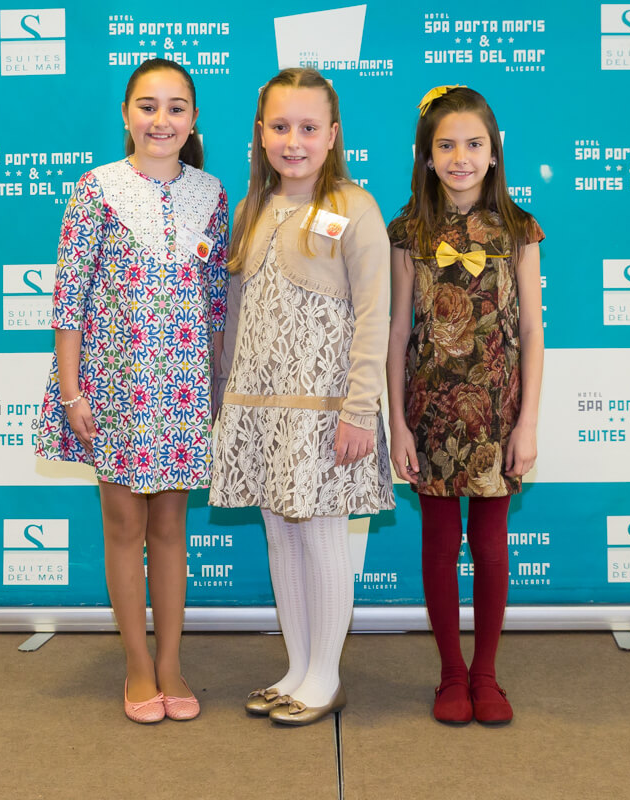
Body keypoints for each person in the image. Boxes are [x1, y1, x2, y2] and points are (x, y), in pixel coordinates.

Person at [35, 58, 228, 724]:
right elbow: (69, 299)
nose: (161, 120)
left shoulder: (212, 195)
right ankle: (138, 666)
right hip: (114, 388)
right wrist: (71, 394)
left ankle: (171, 663)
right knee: (125, 527)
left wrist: (216, 390)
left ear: (193, 120)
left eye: (176, 108)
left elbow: (216, 303)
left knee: (171, 527)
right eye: (148, 106)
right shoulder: (97, 189)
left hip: (182, 390)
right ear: (126, 114)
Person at [210, 67, 395, 726]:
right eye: (281, 127)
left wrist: (360, 408)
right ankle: (296, 668)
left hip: (324, 413)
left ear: (333, 134)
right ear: (260, 133)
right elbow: (235, 313)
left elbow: (374, 314)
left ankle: (325, 675)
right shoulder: (250, 212)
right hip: (259, 411)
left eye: (309, 128)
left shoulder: (355, 207)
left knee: (320, 537)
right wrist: (225, 399)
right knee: (280, 538)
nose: (294, 141)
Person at [385, 85, 545, 725]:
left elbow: (531, 330)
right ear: (426, 156)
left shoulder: (519, 229)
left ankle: (486, 675)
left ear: (494, 151)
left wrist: (527, 422)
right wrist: (398, 423)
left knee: (491, 544)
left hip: (498, 412)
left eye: (473, 144)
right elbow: (398, 332)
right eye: (446, 145)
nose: (460, 157)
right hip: (430, 411)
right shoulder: (408, 231)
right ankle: (451, 673)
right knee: (439, 541)